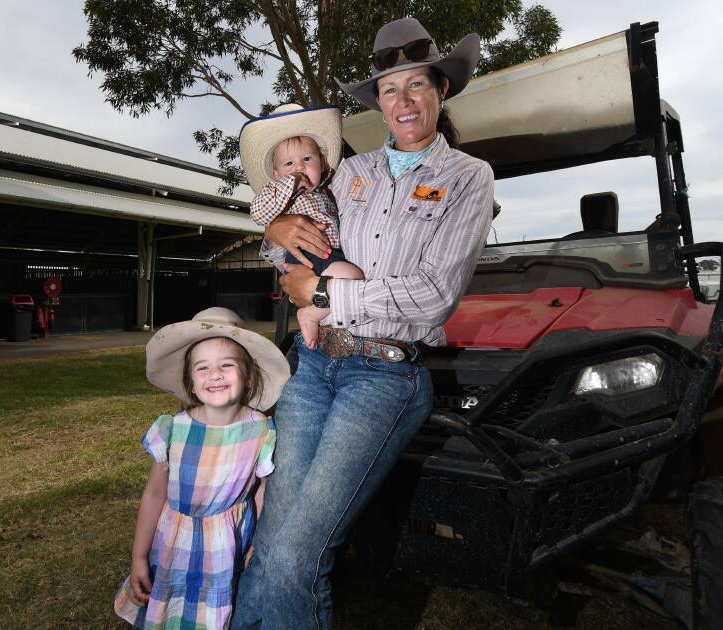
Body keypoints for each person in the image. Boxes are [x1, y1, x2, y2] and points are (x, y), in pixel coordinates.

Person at [231, 17, 495, 629]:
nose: (402, 102)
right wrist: (275, 229)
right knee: (274, 537)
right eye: (389, 89)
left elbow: (432, 298)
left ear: (441, 90)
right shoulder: (351, 173)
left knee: (301, 549)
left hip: (384, 375)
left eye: (416, 86)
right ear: (377, 101)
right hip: (315, 362)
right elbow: (304, 235)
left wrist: (322, 293)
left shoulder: (467, 178)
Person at [113, 307, 291, 630]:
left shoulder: (262, 430)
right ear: (191, 383)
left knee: (214, 614)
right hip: (173, 544)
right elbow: (154, 496)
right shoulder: (173, 429)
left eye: (227, 365)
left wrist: (257, 545)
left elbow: (263, 494)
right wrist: (138, 558)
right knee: (172, 611)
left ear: (248, 375)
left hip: (225, 548)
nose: (215, 375)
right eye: (203, 368)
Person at [242, 104, 365, 349]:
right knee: (352, 277)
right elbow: (258, 213)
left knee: (348, 279)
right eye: (288, 164)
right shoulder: (280, 193)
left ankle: (323, 317)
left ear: (321, 164)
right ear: (276, 174)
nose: (299, 167)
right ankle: (311, 315)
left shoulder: (328, 192)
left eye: (307, 159)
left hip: (328, 253)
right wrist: (292, 182)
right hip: (308, 255)